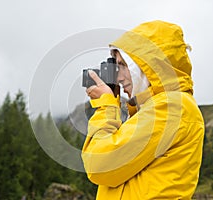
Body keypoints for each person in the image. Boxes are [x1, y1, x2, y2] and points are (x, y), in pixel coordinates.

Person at [81, 20, 205, 199]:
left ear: (148, 66)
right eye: (115, 66)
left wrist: (105, 106)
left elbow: (100, 165)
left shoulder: (172, 107)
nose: (118, 76)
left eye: (123, 65)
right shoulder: (152, 109)